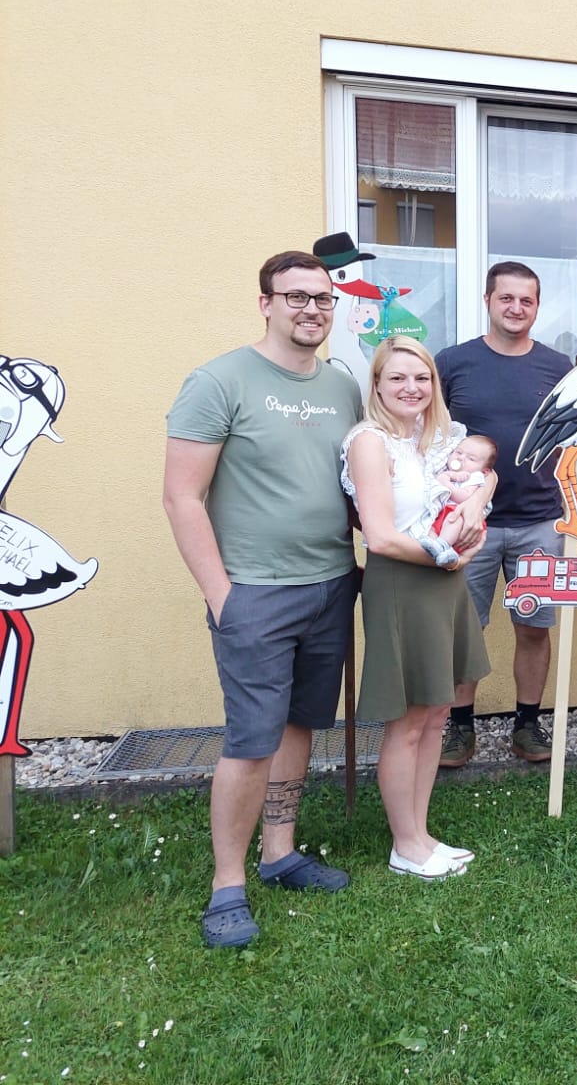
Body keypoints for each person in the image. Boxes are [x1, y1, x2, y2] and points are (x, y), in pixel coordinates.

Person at [164, 250, 363, 948]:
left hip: (331, 584)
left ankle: (279, 853)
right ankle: (227, 886)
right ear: (266, 303)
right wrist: (222, 597)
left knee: (300, 724)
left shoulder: (342, 387)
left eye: (323, 298)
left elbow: (358, 481)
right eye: (296, 297)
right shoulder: (218, 381)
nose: (312, 310)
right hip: (254, 592)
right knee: (251, 739)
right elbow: (182, 497)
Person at [341, 336, 492, 879]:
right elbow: (380, 537)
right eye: (398, 378)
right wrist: (448, 555)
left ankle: (421, 833)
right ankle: (405, 845)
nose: (412, 388)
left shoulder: (437, 437)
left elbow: (488, 470)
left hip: (443, 581)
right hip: (404, 581)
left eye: (422, 377)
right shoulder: (370, 442)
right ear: (377, 385)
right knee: (407, 721)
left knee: (436, 713)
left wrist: (474, 505)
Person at [434, 262, 571, 767]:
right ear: (488, 300)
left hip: (539, 521)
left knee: (534, 627)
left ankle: (528, 725)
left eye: (526, 300)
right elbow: (430, 434)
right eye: (506, 298)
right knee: (462, 630)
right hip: (470, 524)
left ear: (537, 307)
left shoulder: (557, 367)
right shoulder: (453, 362)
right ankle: (459, 727)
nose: (516, 308)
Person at [411, 434, 497, 568]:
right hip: (443, 514)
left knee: (454, 519)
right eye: (458, 452)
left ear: (485, 471)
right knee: (430, 527)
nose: (461, 458)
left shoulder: (476, 477)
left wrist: (447, 484)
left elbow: (465, 497)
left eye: (471, 458)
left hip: (461, 515)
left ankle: (443, 545)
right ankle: (435, 546)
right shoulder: (445, 470)